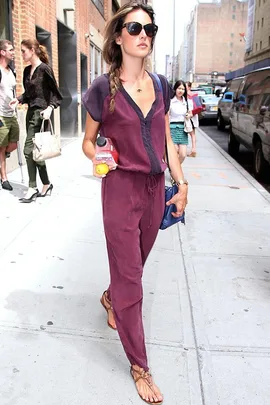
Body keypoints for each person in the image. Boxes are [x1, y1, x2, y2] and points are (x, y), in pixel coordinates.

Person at [82, 2, 188, 404]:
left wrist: (181, 183)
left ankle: (111, 297)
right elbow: (89, 143)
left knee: (135, 265)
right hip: (120, 191)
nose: (145, 34)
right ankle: (139, 366)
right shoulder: (101, 88)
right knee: (132, 279)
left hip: (154, 191)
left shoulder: (161, 84)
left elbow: (167, 143)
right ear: (119, 36)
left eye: (150, 28)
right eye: (135, 27)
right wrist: (101, 157)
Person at [10, 39, 62, 203]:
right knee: (36, 151)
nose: (22, 54)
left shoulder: (45, 69)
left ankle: (32, 187)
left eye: (24, 51)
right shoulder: (27, 71)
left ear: (32, 50)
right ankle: (46, 184)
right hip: (30, 112)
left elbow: (55, 93)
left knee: (28, 151)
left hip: (42, 114)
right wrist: (18, 100)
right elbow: (28, 94)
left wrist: (50, 108)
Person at [0, 39, 20, 191]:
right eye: (11, 50)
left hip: (12, 114)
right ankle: (4, 178)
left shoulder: (11, 70)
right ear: (2, 52)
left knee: (13, 144)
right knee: (1, 147)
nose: (13, 52)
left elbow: (13, 91)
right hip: (0, 115)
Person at [169, 80, 193, 163]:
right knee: (174, 153)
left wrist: (189, 115)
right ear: (175, 89)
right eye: (179, 88)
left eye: (183, 89)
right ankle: (175, 172)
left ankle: (175, 169)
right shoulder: (170, 101)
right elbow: (167, 116)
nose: (181, 91)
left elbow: (190, 113)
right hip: (172, 129)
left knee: (183, 154)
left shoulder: (187, 102)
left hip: (183, 129)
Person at [186, 81, 203, 158]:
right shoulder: (184, 96)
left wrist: (191, 113)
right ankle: (192, 150)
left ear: (189, 87)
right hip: (187, 117)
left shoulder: (193, 96)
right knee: (191, 134)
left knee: (192, 134)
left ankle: (193, 150)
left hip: (191, 117)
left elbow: (199, 107)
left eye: (185, 86)